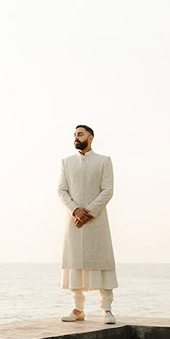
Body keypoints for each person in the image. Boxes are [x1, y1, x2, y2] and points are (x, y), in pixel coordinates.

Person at [57, 124, 118, 324]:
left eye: (80, 134)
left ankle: (107, 309)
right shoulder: (66, 163)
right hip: (74, 220)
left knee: (102, 262)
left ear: (90, 138)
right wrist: (75, 210)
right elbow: (62, 190)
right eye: (74, 134)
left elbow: (107, 190)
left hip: (96, 220)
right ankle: (77, 309)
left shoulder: (103, 161)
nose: (76, 137)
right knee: (74, 264)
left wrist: (89, 212)